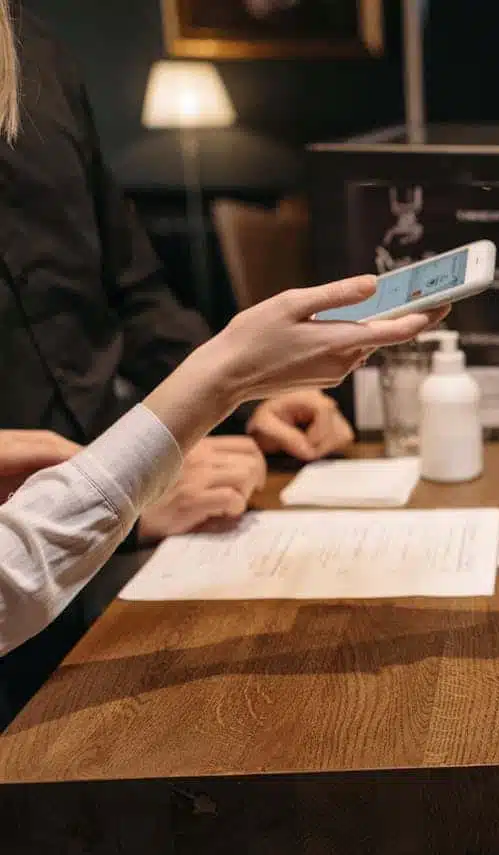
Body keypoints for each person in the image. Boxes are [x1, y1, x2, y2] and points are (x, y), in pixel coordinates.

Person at [0, 7, 364, 715]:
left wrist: (255, 400)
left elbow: (135, 289)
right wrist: (130, 499)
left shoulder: (40, 53)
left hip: (125, 543)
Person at [0, 274, 446, 659]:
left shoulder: (72, 171)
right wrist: (221, 384)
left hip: (105, 500)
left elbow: (142, 307)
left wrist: (247, 405)